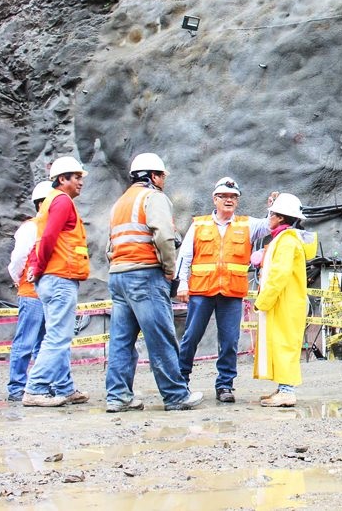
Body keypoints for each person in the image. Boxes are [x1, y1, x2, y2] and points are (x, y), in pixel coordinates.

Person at [105, 153, 202, 412]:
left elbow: (110, 244)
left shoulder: (120, 203)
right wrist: (170, 271)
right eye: (162, 176)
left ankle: (118, 396)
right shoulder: (153, 197)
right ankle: (175, 395)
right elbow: (163, 236)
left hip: (118, 275)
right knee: (161, 337)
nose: (163, 181)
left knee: (121, 340)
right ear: (153, 176)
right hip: (145, 275)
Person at [174, 178, 276, 403]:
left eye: (233, 197)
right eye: (224, 197)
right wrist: (181, 283)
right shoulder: (199, 224)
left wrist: (272, 208)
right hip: (202, 290)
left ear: (237, 201)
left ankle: (225, 385)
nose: (229, 200)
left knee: (230, 340)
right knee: (191, 337)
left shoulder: (246, 224)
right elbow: (185, 256)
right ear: (215, 199)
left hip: (231, 292)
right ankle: (181, 380)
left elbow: (270, 225)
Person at [22, 157, 91, 407]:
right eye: (77, 177)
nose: (81, 182)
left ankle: (64, 387)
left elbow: (45, 238)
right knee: (58, 337)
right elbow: (50, 237)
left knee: (56, 334)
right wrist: (39, 267)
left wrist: (37, 269)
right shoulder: (62, 201)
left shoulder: (50, 202)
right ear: (63, 179)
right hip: (60, 276)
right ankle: (35, 388)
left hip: (52, 277)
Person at [253, 193, 309, 407]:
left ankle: (287, 391)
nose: (269, 217)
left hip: (284, 303)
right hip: (285, 303)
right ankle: (283, 388)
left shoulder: (286, 241)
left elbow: (279, 275)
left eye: (272, 214)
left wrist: (263, 300)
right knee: (281, 343)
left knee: (285, 344)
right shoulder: (286, 238)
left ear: (279, 217)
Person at [5, 180, 52, 402]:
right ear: (42, 203)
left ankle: (37, 385)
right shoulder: (31, 227)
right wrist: (18, 279)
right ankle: (17, 387)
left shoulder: (52, 228)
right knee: (27, 341)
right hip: (33, 292)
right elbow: (18, 260)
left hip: (46, 294)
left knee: (44, 342)